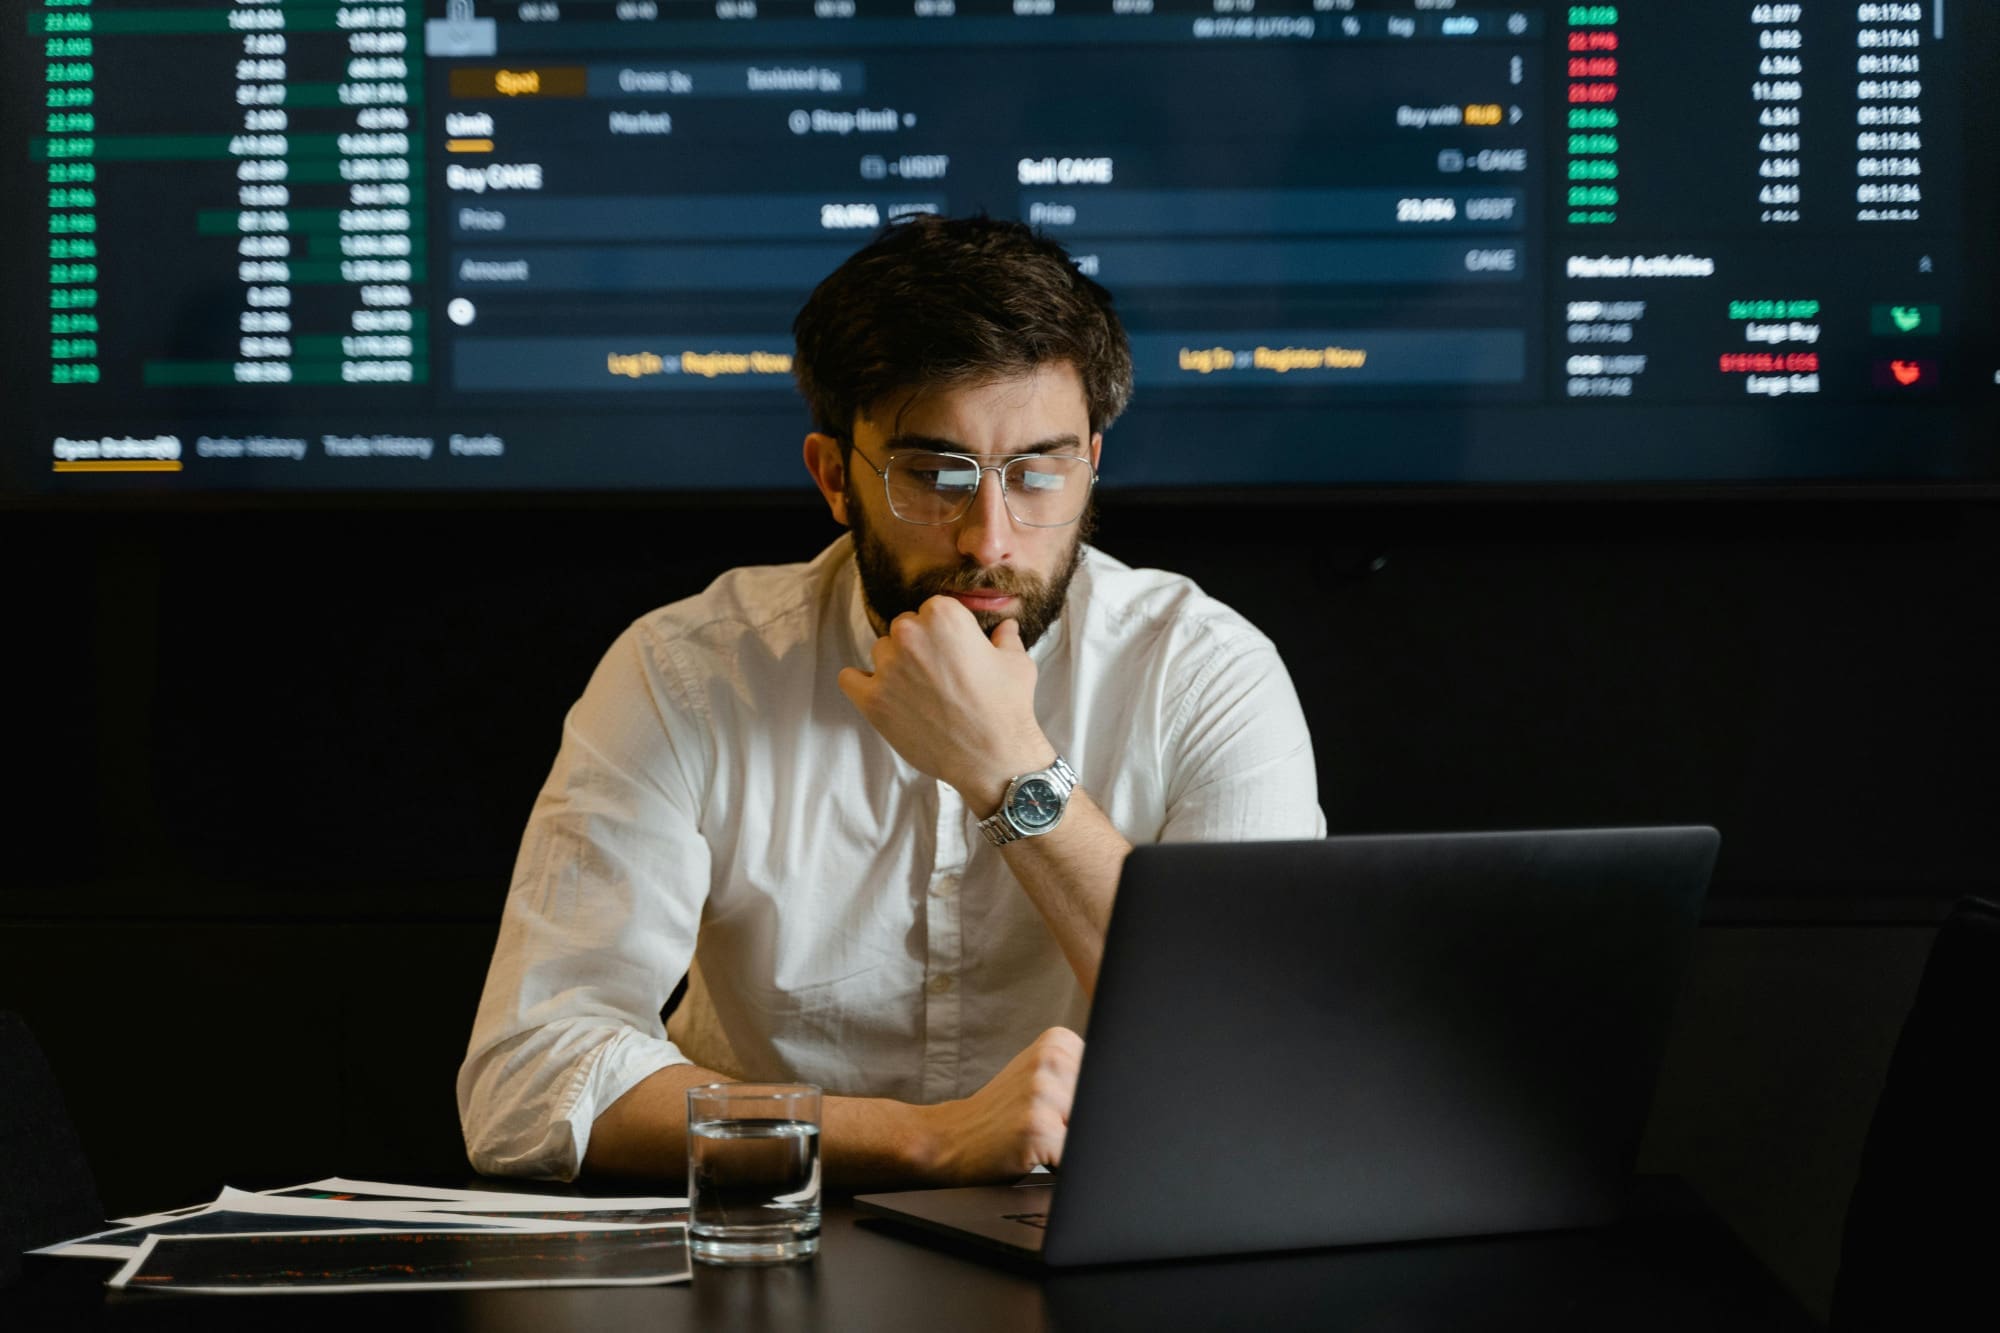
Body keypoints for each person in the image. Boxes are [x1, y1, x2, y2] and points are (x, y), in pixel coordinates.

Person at [458, 216, 1325, 1189]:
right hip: (768, 1242)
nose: (987, 535)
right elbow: (529, 1081)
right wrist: (926, 1139)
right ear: (835, 476)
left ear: (1091, 461)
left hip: (1101, 1235)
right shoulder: (688, 670)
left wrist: (1011, 777)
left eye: (1037, 470)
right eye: (932, 474)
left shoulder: (1205, 671)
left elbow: (1261, 1056)